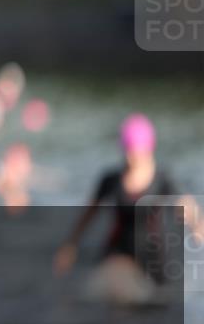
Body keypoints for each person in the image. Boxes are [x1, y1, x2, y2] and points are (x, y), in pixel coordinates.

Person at [53, 113, 204, 303]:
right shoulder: (111, 180)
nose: (132, 157)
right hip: (119, 255)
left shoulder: (164, 180)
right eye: (129, 151)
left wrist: (198, 231)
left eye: (137, 152)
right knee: (105, 294)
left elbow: (188, 208)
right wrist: (70, 245)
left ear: (149, 150)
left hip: (155, 259)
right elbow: (88, 214)